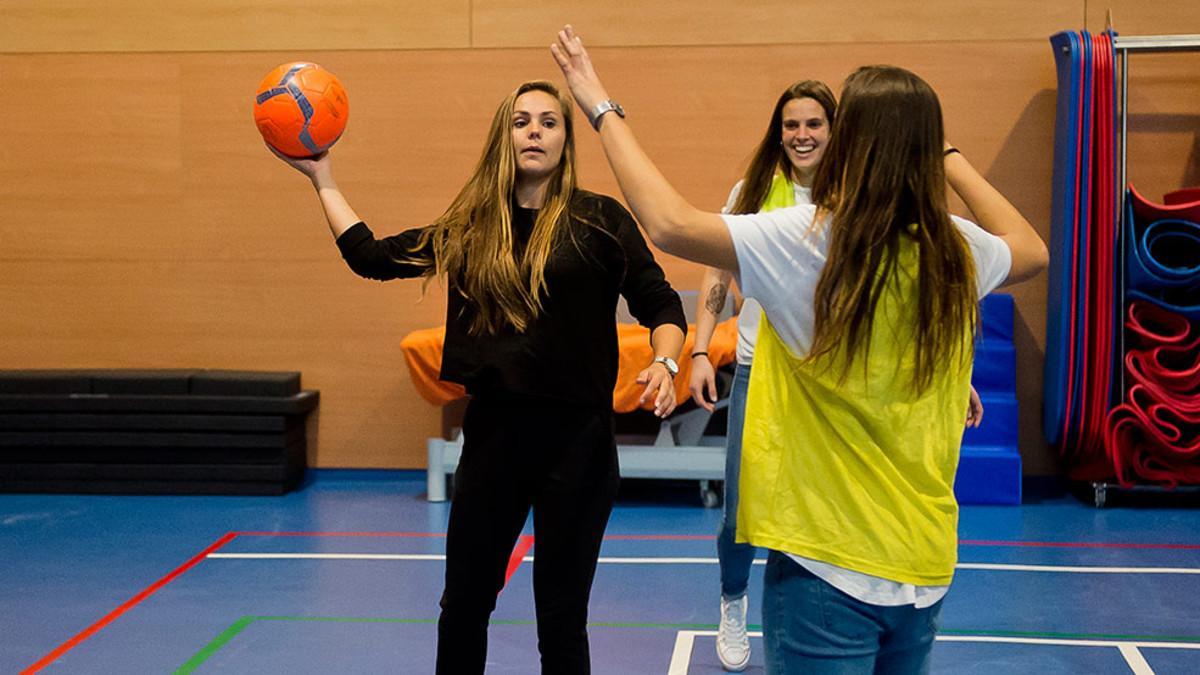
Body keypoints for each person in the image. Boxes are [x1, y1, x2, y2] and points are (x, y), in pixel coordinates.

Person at [551, 26, 1047, 674]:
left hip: (825, 569)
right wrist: (945, 154)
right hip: (925, 567)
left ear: (852, 145)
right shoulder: (957, 247)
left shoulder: (811, 242)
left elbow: (668, 221)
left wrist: (597, 104)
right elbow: (1032, 247)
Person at [268, 79, 687, 674]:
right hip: (495, 439)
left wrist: (666, 363)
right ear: (504, 136)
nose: (535, 130)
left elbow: (662, 304)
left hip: (580, 446)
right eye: (522, 121)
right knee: (463, 605)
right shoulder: (473, 224)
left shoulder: (599, 222)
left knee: (561, 620)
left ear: (567, 139)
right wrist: (322, 178)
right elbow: (373, 258)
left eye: (549, 121)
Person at [686, 79, 838, 672]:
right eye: (791, 125)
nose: (802, 135)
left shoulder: (856, 196)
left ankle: (798, 618)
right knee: (741, 507)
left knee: (817, 507)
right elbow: (718, 271)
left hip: (831, 380)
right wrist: (701, 350)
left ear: (833, 130)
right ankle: (732, 600)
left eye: (813, 124)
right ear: (779, 132)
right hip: (757, 370)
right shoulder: (753, 192)